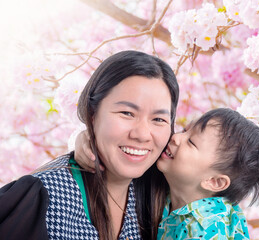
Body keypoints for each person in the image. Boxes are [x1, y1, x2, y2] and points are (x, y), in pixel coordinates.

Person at [0, 50, 179, 240]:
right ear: (92, 113)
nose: (142, 135)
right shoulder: (44, 198)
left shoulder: (160, 194)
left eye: (158, 119)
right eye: (127, 113)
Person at [76, 108, 259, 239]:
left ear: (214, 181)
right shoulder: (181, 192)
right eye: (186, 130)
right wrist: (85, 139)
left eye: (191, 142)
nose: (177, 137)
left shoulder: (207, 228)